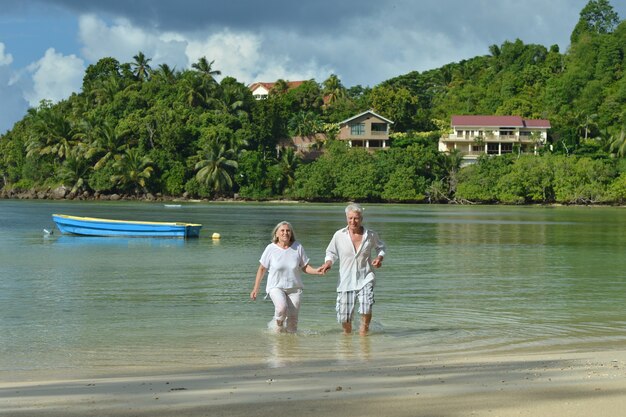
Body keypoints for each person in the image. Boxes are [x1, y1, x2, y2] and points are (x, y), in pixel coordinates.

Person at [319, 204, 386, 336]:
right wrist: (328, 263)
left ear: (361, 218)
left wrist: (379, 258)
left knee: (366, 306)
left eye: (356, 218)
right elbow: (331, 252)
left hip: (366, 276)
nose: (353, 221)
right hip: (345, 279)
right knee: (345, 316)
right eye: (350, 218)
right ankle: (347, 335)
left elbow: (381, 247)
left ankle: (363, 332)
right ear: (346, 218)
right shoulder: (339, 235)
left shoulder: (370, 235)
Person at [250, 221, 322, 333]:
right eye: (282, 231)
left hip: (294, 287)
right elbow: (262, 269)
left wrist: (317, 271)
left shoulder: (297, 247)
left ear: (291, 233)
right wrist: (256, 288)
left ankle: (290, 345)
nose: (285, 233)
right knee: (281, 308)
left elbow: (305, 267)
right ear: (277, 234)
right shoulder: (270, 248)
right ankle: (277, 327)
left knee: (293, 320)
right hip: (275, 286)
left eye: (288, 230)